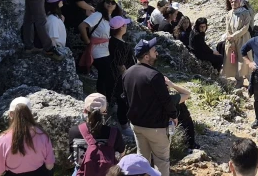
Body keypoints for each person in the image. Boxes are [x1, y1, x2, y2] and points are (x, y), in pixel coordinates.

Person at [123, 38, 178, 176]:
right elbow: (166, 100)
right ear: (146, 56)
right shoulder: (154, 75)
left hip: (136, 125)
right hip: (156, 128)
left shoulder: (127, 73)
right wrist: (174, 115)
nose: (157, 53)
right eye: (154, 51)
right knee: (162, 162)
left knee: (141, 161)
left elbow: (125, 99)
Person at [0, 97, 55, 176]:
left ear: (10, 114)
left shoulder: (2, 140)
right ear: (30, 113)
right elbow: (49, 166)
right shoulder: (43, 135)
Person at [69, 93, 124, 176]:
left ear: (85, 110)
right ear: (105, 112)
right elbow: (122, 153)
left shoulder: (74, 131)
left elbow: (73, 155)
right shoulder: (114, 133)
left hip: (82, 172)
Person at [78, 0, 121, 95]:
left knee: (105, 76)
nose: (110, 4)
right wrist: (88, 41)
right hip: (97, 51)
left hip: (105, 51)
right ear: (103, 3)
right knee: (107, 76)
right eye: (108, 1)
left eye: (113, 2)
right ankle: (104, 99)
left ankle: (103, 99)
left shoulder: (110, 18)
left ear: (116, 6)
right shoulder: (98, 15)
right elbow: (82, 26)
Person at [108, 16, 134, 136]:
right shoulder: (121, 45)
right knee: (123, 100)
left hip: (114, 75)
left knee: (119, 98)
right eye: (125, 25)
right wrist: (128, 77)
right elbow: (120, 64)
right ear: (122, 27)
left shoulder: (111, 41)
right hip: (122, 77)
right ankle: (124, 125)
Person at [223, 0, 253, 86]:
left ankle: (251, 80)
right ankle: (239, 80)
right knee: (234, 60)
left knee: (244, 59)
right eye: (232, 1)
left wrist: (234, 36)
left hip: (243, 39)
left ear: (240, 2)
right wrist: (230, 38)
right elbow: (227, 28)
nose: (233, 3)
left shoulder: (245, 13)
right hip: (232, 40)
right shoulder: (229, 13)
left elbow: (245, 27)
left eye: (235, 1)